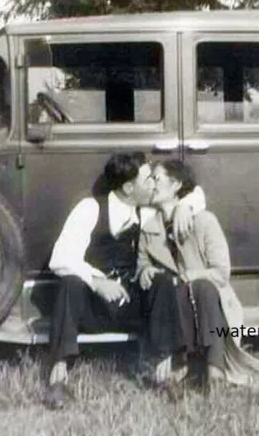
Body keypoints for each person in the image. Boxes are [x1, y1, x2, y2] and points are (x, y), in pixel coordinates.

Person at [42, 151, 206, 409]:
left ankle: (163, 370)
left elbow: (194, 193)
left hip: (130, 303)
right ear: (129, 187)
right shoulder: (91, 208)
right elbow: (60, 257)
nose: (154, 183)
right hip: (93, 306)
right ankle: (58, 377)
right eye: (148, 179)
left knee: (161, 281)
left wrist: (186, 205)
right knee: (70, 282)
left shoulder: (147, 211)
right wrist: (97, 282)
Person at [137, 159, 259, 395]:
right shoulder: (148, 228)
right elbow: (141, 269)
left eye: (156, 179)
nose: (151, 185)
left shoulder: (205, 221)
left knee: (203, 286)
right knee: (175, 286)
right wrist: (145, 272)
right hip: (173, 307)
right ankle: (185, 366)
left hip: (208, 301)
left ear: (176, 184)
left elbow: (220, 272)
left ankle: (214, 372)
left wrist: (188, 276)